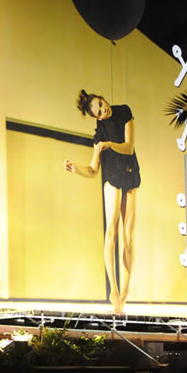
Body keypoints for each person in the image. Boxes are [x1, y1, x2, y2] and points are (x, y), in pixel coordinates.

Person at [63, 90, 140, 314]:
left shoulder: (124, 111)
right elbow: (93, 170)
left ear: (103, 98)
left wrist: (109, 144)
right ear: (96, 117)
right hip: (111, 176)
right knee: (111, 233)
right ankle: (113, 291)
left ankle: (126, 289)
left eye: (100, 104)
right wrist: (76, 169)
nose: (103, 111)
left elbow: (129, 147)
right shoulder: (98, 136)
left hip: (130, 172)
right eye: (98, 112)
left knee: (128, 237)